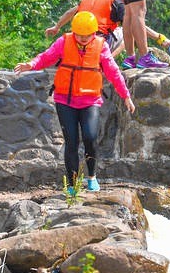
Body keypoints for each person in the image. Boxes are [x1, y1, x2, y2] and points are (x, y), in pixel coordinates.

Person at [15, 11, 136, 194]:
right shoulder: (64, 41)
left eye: (87, 36)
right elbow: (46, 56)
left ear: (94, 33)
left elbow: (113, 72)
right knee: (71, 141)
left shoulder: (101, 46)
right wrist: (31, 64)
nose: (82, 39)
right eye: (79, 35)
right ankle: (72, 185)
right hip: (65, 100)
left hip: (90, 101)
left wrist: (125, 95)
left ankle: (92, 177)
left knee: (90, 137)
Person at [44, 0, 170, 68]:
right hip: (97, 43)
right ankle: (107, 61)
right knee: (126, 28)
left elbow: (70, 12)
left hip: (76, 41)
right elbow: (136, 25)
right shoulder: (118, 2)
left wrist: (57, 27)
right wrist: (159, 38)